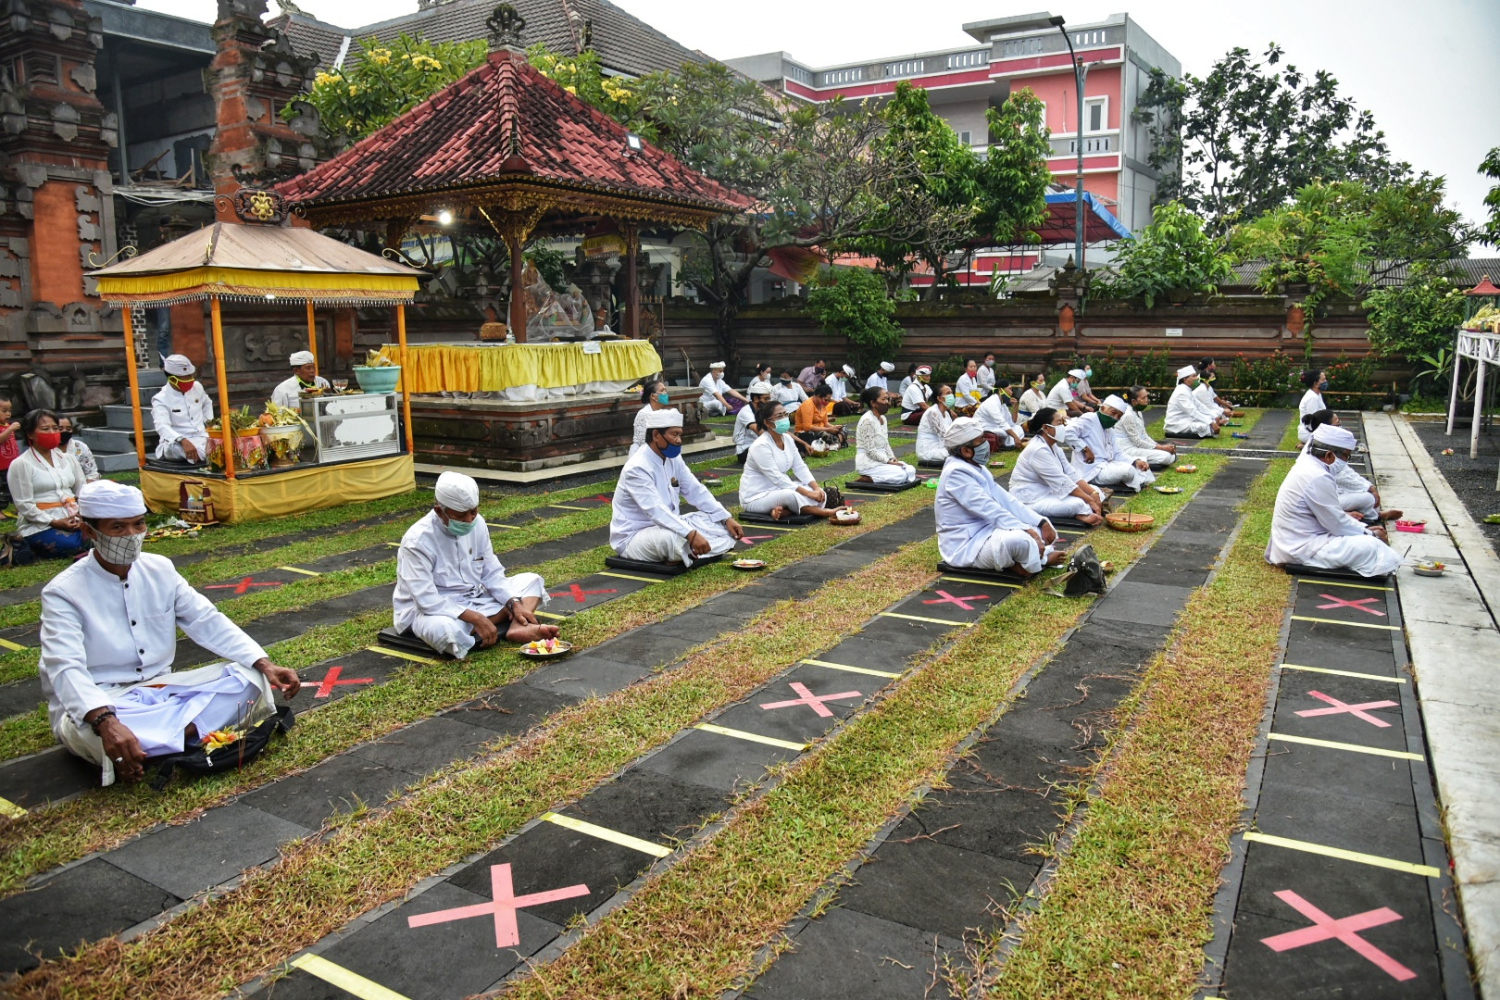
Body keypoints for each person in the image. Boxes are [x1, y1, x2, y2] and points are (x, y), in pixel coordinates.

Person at [38, 480, 302, 786]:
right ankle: (176, 734)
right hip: (102, 701)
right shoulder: (63, 592)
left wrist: (265, 664)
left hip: (161, 689)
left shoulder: (159, 569)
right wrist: (106, 721)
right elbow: (64, 666)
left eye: (138, 525)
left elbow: (206, 620)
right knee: (89, 732)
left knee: (251, 679)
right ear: (89, 532)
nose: (131, 536)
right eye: (118, 528)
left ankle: (152, 743)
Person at [392, 472, 555, 659]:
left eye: (473, 512)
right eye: (461, 516)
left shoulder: (478, 524)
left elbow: (491, 573)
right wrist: (475, 617)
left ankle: (516, 625)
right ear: (439, 511)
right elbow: (426, 600)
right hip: (432, 611)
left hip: (475, 597)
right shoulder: (417, 541)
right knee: (445, 630)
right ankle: (496, 619)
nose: (469, 520)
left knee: (531, 580)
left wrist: (513, 603)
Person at [1266, 423, 1401, 578]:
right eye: (1346, 456)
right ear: (1329, 455)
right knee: (1372, 546)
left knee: (1367, 535)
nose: (1346, 461)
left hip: (1302, 540)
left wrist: (1363, 530)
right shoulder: (1317, 476)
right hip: (1303, 547)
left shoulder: (1309, 465)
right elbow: (1336, 522)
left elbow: (1334, 519)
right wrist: (1368, 534)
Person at [936, 417, 1066, 577]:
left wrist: (1040, 522)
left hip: (989, 531)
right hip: (967, 545)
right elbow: (990, 510)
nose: (986, 443)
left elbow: (1006, 500)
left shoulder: (976, 467)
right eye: (981, 440)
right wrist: (1028, 531)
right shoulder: (955, 473)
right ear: (966, 451)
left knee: (1042, 529)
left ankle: (1027, 560)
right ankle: (1038, 561)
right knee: (1020, 540)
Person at [613, 408, 744, 565]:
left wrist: (725, 518)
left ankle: (687, 553)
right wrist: (691, 534)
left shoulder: (673, 459)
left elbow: (696, 490)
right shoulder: (637, 467)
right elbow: (655, 510)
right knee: (675, 540)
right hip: (636, 536)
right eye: (674, 435)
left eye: (680, 435)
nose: (679, 440)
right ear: (656, 435)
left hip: (671, 524)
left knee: (717, 524)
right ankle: (685, 551)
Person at [8, 409, 89, 559]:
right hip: (40, 522)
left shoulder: (68, 459)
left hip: (73, 516)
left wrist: (82, 515)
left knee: (107, 532)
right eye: (45, 429)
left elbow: (83, 491)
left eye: (55, 428)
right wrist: (54, 522)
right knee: (70, 545)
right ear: (30, 434)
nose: (52, 432)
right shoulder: (21, 464)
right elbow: (24, 504)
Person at [741, 400, 837, 520]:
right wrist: (808, 493)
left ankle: (785, 510)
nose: (784, 418)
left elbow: (799, 466)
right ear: (767, 423)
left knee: (818, 491)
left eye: (785, 414)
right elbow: (777, 478)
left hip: (778, 490)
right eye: (779, 416)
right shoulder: (760, 445)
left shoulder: (787, 439)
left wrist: (815, 488)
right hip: (756, 497)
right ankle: (826, 512)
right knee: (791, 495)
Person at [1301, 410, 1401, 523]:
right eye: (1337, 424)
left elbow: (1345, 471)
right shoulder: (1323, 452)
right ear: (1327, 428)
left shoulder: (1318, 443)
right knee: (1368, 498)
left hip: (1321, 501)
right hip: (1318, 504)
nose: (1341, 427)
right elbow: (1343, 476)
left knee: (1364, 494)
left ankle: (1369, 515)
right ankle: (1373, 517)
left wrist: (1369, 487)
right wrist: (1369, 489)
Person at [1009, 408, 1105, 525]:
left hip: (1048, 491)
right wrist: (1090, 500)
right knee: (1078, 503)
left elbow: (1071, 474)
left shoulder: (1054, 447)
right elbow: (1062, 482)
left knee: (1097, 491)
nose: (1063, 427)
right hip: (1029, 499)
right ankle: (1082, 514)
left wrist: (1093, 494)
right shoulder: (1038, 450)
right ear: (1045, 427)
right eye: (1059, 423)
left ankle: (1085, 512)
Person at [1063, 399, 1156, 492]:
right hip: (1092, 470)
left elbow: (1118, 453)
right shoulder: (1090, 418)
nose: (1115, 417)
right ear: (1102, 408)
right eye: (1113, 413)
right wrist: (1085, 449)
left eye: (1119, 416)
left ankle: (1127, 480)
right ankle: (1123, 481)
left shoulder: (1110, 430)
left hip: (1107, 466)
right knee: (1128, 471)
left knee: (1141, 466)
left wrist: (1136, 461)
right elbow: (1067, 432)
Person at [152, 354, 213, 463]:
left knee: (230, 445)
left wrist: (209, 422)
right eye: (186, 377)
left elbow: (207, 403)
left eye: (191, 375)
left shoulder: (197, 387)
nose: (190, 379)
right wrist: (182, 440)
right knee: (200, 452)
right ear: (172, 379)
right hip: (176, 443)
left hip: (202, 437)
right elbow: (162, 426)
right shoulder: (161, 399)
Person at [855, 386, 917, 485]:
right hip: (868, 462)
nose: (887, 402)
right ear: (873, 403)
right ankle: (869, 478)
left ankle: (877, 476)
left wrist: (892, 457)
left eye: (887, 399)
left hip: (882, 460)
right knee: (901, 475)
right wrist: (888, 461)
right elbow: (870, 451)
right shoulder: (867, 421)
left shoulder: (883, 418)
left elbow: (885, 443)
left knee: (910, 469)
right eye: (883, 399)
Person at [1116, 386, 1176, 467]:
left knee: (1169, 454)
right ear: (1134, 401)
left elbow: (1144, 436)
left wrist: (1159, 447)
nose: (1147, 400)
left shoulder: (1138, 412)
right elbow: (1137, 441)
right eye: (1143, 398)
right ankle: (1133, 461)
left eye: (1147, 397)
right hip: (1127, 449)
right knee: (1167, 456)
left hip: (1137, 446)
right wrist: (1161, 448)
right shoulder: (1128, 415)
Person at [1165, 365, 1222, 438]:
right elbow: (1192, 412)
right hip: (1177, 424)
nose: (1197, 378)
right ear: (1185, 379)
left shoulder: (1187, 390)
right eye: (1194, 376)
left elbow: (1199, 406)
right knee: (1207, 427)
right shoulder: (1181, 392)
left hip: (1186, 420)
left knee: (1212, 419)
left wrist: (1213, 416)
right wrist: (1211, 423)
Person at [975, 379, 1024, 451]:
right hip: (984, 428)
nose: (1011, 392)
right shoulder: (992, 402)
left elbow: (1012, 422)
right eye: (1010, 389)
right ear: (1001, 390)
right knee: (1003, 432)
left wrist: (1015, 407)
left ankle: (1009, 443)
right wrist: (1016, 437)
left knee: (1018, 428)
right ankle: (1008, 444)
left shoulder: (1002, 402)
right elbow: (1002, 423)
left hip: (995, 426)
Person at [794, 383, 847, 451]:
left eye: (829, 400)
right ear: (818, 396)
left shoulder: (822, 405)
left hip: (822, 430)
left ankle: (834, 443)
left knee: (844, 429)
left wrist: (833, 427)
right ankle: (836, 442)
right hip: (806, 432)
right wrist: (828, 429)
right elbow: (807, 427)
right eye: (826, 400)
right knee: (822, 433)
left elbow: (825, 423)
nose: (827, 402)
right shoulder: (808, 405)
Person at [734, 380, 773, 464]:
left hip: (761, 445)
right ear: (756, 399)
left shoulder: (764, 410)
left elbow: (778, 429)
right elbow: (759, 431)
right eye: (766, 399)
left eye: (769, 398)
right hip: (745, 450)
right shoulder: (746, 411)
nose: (768, 402)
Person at [916, 384, 956, 464]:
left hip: (941, 448)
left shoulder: (947, 414)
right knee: (959, 453)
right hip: (929, 451)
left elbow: (952, 432)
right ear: (939, 398)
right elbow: (944, 435)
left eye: (951, 393)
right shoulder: (932, 412)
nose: (951, 395)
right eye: (948, 393)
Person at [631, 379, 671, 455]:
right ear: (653, 396)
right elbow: (642, 442)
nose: (665, 393)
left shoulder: (661, 412)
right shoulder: (643, 415)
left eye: (666, 390)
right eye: (662, 390)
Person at [56, 417, 101, 482]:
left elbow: (92, 472)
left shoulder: (80, 447)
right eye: (60, 429)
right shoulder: (47, 449)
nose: (64, 431)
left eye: (68, 429)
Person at [1297, 369, 1327, 444]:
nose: (1326, 381)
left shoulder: (1317, 394)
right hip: (1309, 433)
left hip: (1315, 431)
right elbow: (1314, 420)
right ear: (1315, 383)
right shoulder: (1312, 398)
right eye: (1323, 380)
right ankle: (1308, 446)